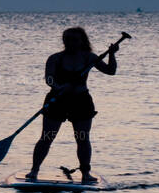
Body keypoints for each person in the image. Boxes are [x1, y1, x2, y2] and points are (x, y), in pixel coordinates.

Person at [25, 27, 118, 184]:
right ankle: (34, 170)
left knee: (82, 138)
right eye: (68, 39)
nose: (71, 43)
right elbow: (48, 78)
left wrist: (112, 54)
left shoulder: (89, 58)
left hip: (81, 101)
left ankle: (85, 174)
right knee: (47, 137)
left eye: (75, 39)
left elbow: (110, 71)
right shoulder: (55, 58)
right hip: (57, 100)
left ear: (82, 41)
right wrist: (57, 86)